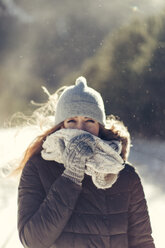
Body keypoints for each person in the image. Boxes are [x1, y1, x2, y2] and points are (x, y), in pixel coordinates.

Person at [17, 76, 155, 248]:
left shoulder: (124, 175)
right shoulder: (38, 167)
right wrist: (70, 177)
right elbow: (33, 241)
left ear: (100, 126)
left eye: (89, 120)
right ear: (61, 126)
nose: (80, 129)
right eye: (72, 121)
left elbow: (142, 242)